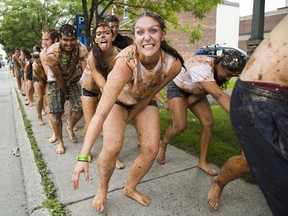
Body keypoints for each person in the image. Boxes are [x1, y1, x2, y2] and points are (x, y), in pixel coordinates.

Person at [72, 12, 185, 212]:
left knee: (151, 149)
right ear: (134, 38)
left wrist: (132, 116)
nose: (147, 37)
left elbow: (152, 95)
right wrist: (83, 156)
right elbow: (100, 113)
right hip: (118, 102)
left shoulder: (173, 64)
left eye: (153, 30)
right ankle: (103, 189)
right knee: (113, 146)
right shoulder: (125, 64)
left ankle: (130, 188)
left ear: (163, 35)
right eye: (140, 32)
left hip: (143, 99)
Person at [228, 15, 288, 216]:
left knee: (246, 162)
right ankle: (219, 182)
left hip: (262, 96)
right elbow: (217, 93)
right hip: (262, 96)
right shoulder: (200, 69)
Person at [156, 50, 246, 176]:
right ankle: (163, 143)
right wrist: (241, 116)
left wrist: (187, 104)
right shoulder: (201, 66)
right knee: (179, 126)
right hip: (178, 87)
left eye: (233, 75)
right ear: (220, 65)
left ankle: (202, 162)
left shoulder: (217, 71)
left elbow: (209, 92)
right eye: (228, 74)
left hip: (197, 90)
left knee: (208, 122)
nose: (229, 78)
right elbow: (219, 95)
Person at [79, 23, 124, 168]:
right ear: (96, 40)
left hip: (108, 88)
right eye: (99, 34)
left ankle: (111, 156)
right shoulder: (92, 56)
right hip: (90, 88)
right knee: (90, 123)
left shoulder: (119, 54)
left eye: (106, 33)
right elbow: (99, 81)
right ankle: (85, 152)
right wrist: (112, 99)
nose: (102, 36)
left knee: (110, 125)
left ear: (113, 37)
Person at [45, 24, 88, 154]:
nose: (69, 43)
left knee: (80, 108)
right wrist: (67, 95)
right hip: (56, 80)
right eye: (66, 40)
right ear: (59, 39)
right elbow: (59, 78)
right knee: (56, 113)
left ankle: (70, 125)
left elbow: (85, 69)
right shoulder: (52, 53)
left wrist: (87, 86)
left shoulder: (81, 48)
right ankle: (60, 142)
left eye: (72, 39)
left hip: (74, 78)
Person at [40, 28, 60, 140]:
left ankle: (70, 124)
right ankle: (55, 132)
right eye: (43, 39)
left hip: (69, 79)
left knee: (74, 107)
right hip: (53, 80)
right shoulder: (43, 53)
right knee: (51, 108)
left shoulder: (63, 48)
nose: (44, 42)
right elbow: (49, 74)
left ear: (55, 39)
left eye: (47, 39)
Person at [33, 45, 48, 125]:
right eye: (37, 62)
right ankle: (39, 117)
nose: (39, 64)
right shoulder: (35, 67)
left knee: (48, 98)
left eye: (40, 62)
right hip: (38, 79)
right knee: (39, 98)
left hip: (47, 78)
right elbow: (41, 81)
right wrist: (42, 91)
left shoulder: (47, 61)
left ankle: (50, 119)